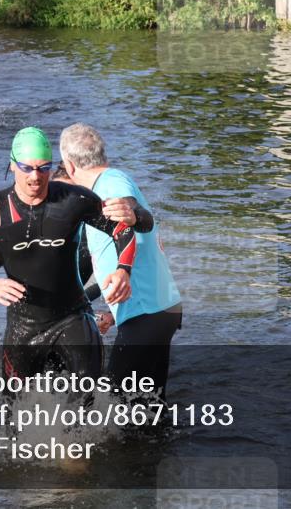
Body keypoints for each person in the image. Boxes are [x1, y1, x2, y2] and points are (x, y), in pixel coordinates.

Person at [0, 127, 153, 381]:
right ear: (12, 165)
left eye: (44, 168)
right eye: (27, 168)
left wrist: (124, 270)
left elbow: (123, 231)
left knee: (90, 400)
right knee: (15, 410)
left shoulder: (74, 199)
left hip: (73, 317)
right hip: (23, 327)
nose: (36, 176)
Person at [60, 123, 182, 399]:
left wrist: (133, 213)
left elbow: (132, 211)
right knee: (147, 406)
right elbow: (100, 260)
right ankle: (162, 441)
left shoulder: (110, 183)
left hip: (146, 315)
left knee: (111, 404)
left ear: (69, 165)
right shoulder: (102, 190)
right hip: (157, 310)